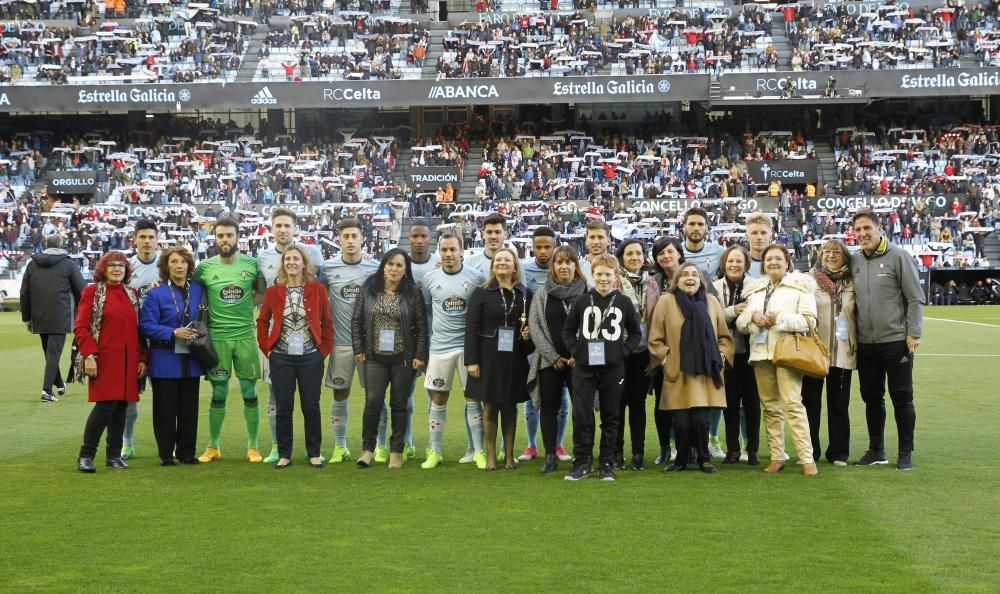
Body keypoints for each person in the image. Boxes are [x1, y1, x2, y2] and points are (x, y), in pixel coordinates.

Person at [737, 244, 819, 477]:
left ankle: (807, 458)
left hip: (787, 354)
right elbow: (742, 324)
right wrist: (754, 318)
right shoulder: (754, 290)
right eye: (768, 259)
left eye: (777, 259)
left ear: (787, 262)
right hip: (761, 353)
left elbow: (809, 322)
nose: (773, 262)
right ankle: (777, 456)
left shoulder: (800, 287)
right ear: (762, 264)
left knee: (793, 405)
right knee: (771, 408)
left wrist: (779, 319)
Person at [851, 211, 923, 470]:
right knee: (871, 397)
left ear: (879, 228)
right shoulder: (855, 259)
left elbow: (915, 297)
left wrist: (914, 333)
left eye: (867, 228)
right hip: (866, 343)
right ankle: (876, 450)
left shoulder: (898, 256)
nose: (862, 234)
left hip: (896, 341)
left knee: (902, 396)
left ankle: (905, 451)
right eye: (858, 229)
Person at [648, 262, 734, 474]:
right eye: (685, 274)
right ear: (677, 280)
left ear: (700, 280)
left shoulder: (711, 302)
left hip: (704, 372)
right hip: (678, 371)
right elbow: (655, 338)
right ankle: (681, 461)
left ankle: (704, 459)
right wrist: (667, 359)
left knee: (700, 420)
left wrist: (720, 356)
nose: (690, 278)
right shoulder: (666, 301)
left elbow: (724, 336)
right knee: (681, 423)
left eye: (694, 275)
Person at [562, 254, 642, 481]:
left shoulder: (624, 302)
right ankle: (582, 462)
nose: (603, 278)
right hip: (584, 368)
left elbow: (636, 333)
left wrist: (623, 351)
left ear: (616, 276)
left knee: (611, 415)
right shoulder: (582, 300)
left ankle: (607, 462)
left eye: (608, 274)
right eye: (599, 274)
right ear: (592, 275)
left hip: (612, 368)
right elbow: (568, 331)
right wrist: (576, 351)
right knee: (582, 415)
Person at [256, 207, 326, 464]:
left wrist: (322, 351)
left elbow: (326, 323)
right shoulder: (274, 291)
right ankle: (284, 454)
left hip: (310, 356)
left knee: (311, 406)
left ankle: (314, 453)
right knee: (284, 407)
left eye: (296, 259)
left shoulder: (316, 289)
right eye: (288, 260)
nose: (292, 263)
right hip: (282, 356)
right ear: (283, 265)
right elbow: (262, 321)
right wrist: (268, 349)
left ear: (304, 263)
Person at [194, 217, 264, 464]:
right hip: (218, 338)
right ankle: (213, 446)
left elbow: (261, 292)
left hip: (245, 336)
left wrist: (249, 306)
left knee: (249, 390)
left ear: (237, 238)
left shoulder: (252, 265)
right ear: (215, 239)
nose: (225, 240)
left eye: (229, 235)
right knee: (219, 391)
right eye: (221, 236)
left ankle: (253, 446)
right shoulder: (204, 268)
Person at [353, 249, 428, 469]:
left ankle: (396, 450)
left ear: (406, 270)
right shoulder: (369, 288)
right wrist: (359, 348)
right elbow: (356, 320)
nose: (394, 269)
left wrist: (419, 355)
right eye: (390, 264)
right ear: (383, 266)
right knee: (373, 401)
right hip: (374, 356)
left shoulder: (413, 292)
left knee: (399, 403)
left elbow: (422, 327)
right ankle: (368, 449)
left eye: (399, 265)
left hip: (403, 358)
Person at [74, 252, 147, 473]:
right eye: (112, 265)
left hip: (129, 360)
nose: (117, 269)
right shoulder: (92, 292)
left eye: (121, 266)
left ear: (126, 270)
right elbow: (81, 328)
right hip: (103, 359)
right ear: (103, 269)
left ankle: (113, 455)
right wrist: (89, 356)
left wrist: (142, 358)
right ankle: (86, 455)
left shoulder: (131, 293)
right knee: (105, 406)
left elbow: (139, 330)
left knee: (122, 407)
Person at [420, 233, 487, 469]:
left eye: (452, 250)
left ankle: (479, 451)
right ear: (439, 252)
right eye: (444, 250)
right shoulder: (429, 279)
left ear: (461, 251)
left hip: (468, 349)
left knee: (472, 397)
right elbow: (427, 313)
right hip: (439, 348)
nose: (448, 254)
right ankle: (435, 451)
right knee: (438, 398)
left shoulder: (476, 277)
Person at [465, 247, 533, 471]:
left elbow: (529, 330)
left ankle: (510, 456)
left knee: (510, 406)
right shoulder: (481, 292)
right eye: (498, 260)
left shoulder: (525, 293)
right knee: (490, 405)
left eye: (507, 259)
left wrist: (526, 337)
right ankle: (491, 455)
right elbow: (471, 328)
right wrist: (471, 361)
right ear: (492, 265)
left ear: (515, 266)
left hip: (514, 357)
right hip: (488, 357)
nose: (502, 262)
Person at [320, 218, 380, 463]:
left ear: (362, 239)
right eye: (346, 237)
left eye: (354, 236)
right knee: (339, 394)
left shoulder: (375, 268)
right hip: (341, 343)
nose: (350, 241)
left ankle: (380, 445)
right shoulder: (327, 268)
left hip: (370, 345)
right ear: (339, 240)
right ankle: (340, 446)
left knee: (374, 396)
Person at [139, 246, 205, 466]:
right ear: (166, 266)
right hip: (164, 359)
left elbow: (205, 316)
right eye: (174, 262)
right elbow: (146, 326)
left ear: (189, 265)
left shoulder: (198, 289)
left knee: (190, 410)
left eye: (183, 262)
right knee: (165, 411)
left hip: (192, 358)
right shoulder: (155, 293)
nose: (179, 266)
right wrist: (171, 332)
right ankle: (166, 454)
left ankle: (187, 452)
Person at [527, 245, 587, 474]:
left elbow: (591, 327)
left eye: (568, 262)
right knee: (549, 408)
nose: (564, 266)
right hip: (549, 361)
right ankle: (550, 455)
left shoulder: (586, 292)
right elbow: (534, 327)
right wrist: (553, 357)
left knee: (581, 408)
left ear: (575, 265)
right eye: (559, 262)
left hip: (577, 361)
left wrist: (576, 354)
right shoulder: (543, 293)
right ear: (553, 266)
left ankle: (582, 454)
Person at [802, 239, 856, 466]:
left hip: (843, 352)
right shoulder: (808, 280)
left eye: (837, 252)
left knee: (839, 405)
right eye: (826, 252)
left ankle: (838, 453)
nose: (831, 256)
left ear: (845, 257)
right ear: (820, 256)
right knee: (810, 405)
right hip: (815, 351)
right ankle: (809, 452)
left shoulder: (853, 281)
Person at [519, 226, 570, 462]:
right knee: (533, 395)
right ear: (531, 247)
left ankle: (558, 445)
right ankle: (531, 445)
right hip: (534, 343)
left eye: (547, 247)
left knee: (563, 398)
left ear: (555, 245)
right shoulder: (524, 270)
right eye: (538, 247)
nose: (542, 251)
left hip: (564, 344)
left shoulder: (564, 268)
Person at [20, 234, 85, 402]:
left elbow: (24, 293)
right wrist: (83, 313)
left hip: (39, 316)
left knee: (49, 353)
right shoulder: (69, 264)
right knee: (53, 353)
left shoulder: (32, 264)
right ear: (61, 245)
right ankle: (46, 391)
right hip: (60, 314)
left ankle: (59, 384)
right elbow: (82, 291)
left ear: (45, 245)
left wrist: (27, 317)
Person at [713, 245, 761, 465]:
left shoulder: (756, 287)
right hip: (727, 355)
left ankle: (752, 450)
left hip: (751, 353)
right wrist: (734, 311)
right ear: (724, 263)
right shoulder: (714, 288)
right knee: (730, 404)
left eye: (739, 261)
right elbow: (712, 318)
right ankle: (732, 449)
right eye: (731, 261)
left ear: (746, 264)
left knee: (752, 404)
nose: (734, 265)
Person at [122, 219, 161, 460]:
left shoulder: (168, 265)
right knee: (129, 394)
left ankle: (167, 443)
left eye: (151, 237)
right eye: (142, 237)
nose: (147, 242)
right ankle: (128, 443)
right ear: (134, 239)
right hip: (134, 340)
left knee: (164, 394)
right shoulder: (126, 267)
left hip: (161, 340)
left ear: (158, 240)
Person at [613, 239, 651, 470]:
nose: (635, 257)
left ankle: (638, 453)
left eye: (638, 253)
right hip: (618, 352)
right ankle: (616, 452)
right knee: (617, 405)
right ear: (622, 257)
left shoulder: (652, 284)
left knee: (638, 405)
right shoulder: (615, 282)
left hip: (643, 353)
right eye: (629, 254)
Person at [405, 220, 440, 458]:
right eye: (415, 236)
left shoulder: (438, 266)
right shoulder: (399, 264)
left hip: (432, 341)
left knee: (434, 395)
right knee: (403, 394)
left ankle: (432, 445)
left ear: (430, 239)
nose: (419, 241)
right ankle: (406, 442)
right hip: (405, 341)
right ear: (409, 238)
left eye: (423, 236)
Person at [745, 212, 775, 279]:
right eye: (754, 233)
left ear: (770, 235)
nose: (759, 237)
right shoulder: (739, 264)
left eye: (763, 233)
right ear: (747, 236)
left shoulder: (782, 264)